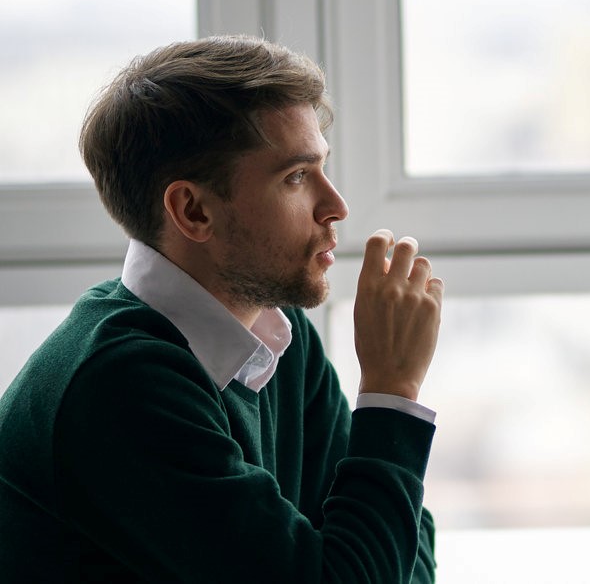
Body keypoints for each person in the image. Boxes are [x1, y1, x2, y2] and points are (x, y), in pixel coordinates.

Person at [0, 35, 443, 582]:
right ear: (193, 210)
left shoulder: (278, 334)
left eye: (322, 168)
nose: (336, 206)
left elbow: (399, 555)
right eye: (296, 177)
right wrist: (392, 391)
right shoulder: (120, 387)